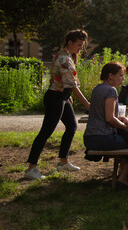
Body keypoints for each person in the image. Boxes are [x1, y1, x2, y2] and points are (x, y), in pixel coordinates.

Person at [25, 29, 91, 180]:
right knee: (46, 132)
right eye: (79, 45)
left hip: (62, 97)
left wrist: (68, 98)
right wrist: (87, 104)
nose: (81, 48)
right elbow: (73, 85)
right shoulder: (64, 60)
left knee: (72, 127)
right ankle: (31, 168)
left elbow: (63, 82)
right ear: (70, 42)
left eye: (82, 45)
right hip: (55, 98)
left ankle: (63, 162)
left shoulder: (68, 56)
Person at [83, 62, 128, 188]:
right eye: (121, 75)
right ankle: (122, 178)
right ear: (111, 76)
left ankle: (121, 173)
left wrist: (123, 119)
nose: (123, 78)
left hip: (89, 137)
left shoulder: (97, 89)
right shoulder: (111, 91)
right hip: (103, 138)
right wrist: (124, 126)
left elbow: (104, 114)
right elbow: (110, 118)